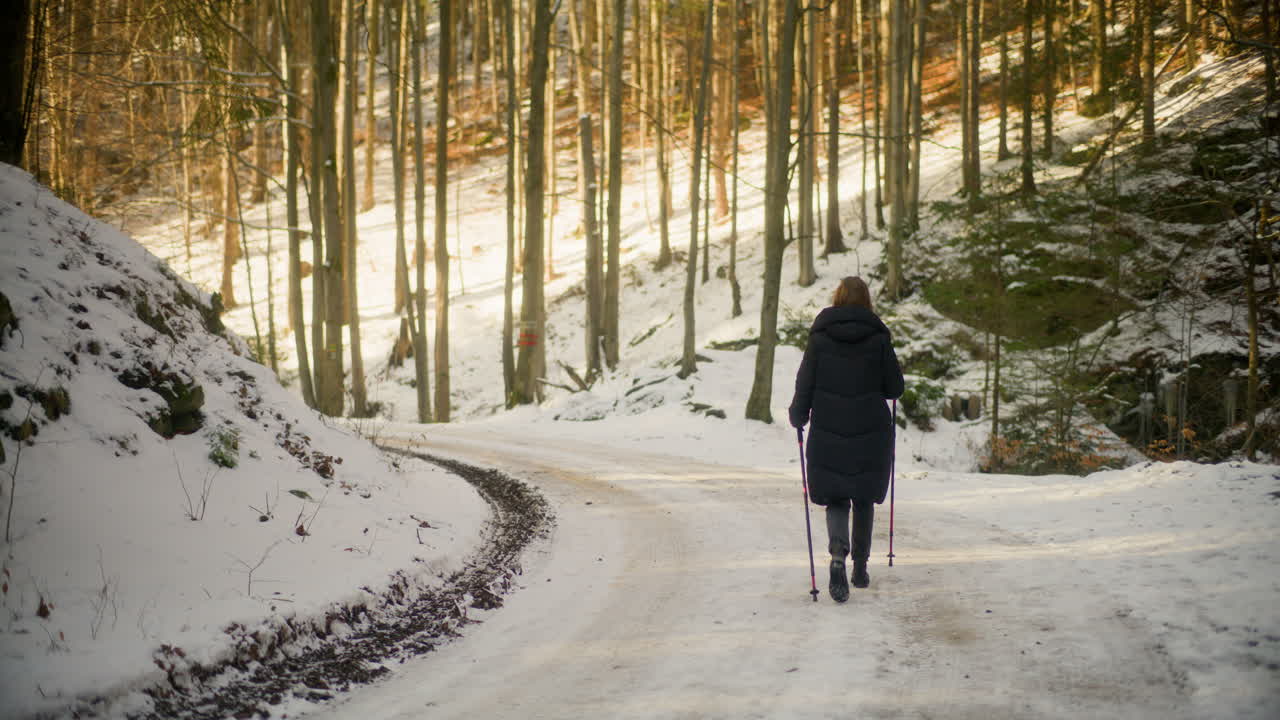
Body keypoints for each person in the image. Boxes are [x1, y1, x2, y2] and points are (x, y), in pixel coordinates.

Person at [789, 276, 904, 603]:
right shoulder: (879, 338)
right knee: (863, 495)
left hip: (828, 429)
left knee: (836, 495)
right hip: (871, 430)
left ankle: (838, 553)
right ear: (867, 301)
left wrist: (799, 414)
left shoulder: (820, 338)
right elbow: (894, 388)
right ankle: (861, 565)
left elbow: (805, 382)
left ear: (837, 298)